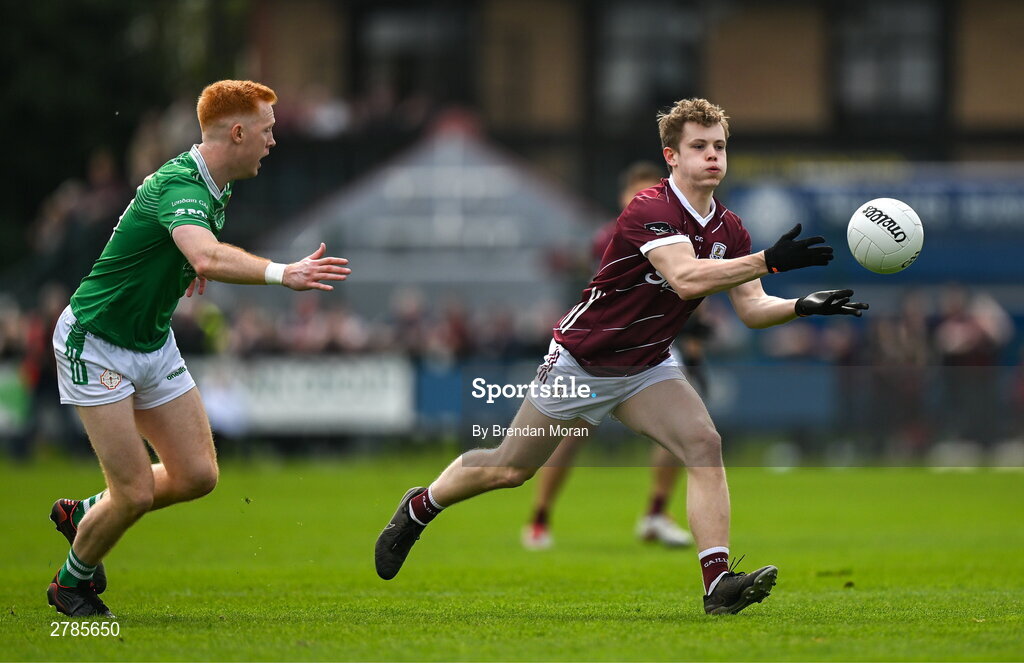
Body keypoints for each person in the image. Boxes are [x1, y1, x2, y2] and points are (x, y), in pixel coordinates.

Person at [375, 98, 868, 615]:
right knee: (507, 470)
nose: (712, 156)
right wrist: (768, 260)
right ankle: (420, 506)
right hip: (580, 363)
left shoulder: (731, 230)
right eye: (698, 146)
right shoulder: (649, 208)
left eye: (719, 146)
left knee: (704, 443)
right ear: (671, 156)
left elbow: (752, 309)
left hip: (646, 369)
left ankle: (717, 584)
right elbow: (684, 278)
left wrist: (802, 305)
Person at [46, 80, 352, 617]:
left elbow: (186, 251)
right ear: (237, 132)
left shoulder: (217, 185)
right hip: (95, 344)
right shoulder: (185, 186)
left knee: (198, 476)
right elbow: (207, 256)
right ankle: (71, 584)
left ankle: (88, 512)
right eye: (267, 130)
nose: (273, 141)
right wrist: (285, 272)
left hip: (152, 341)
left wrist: (182, 265)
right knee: (136, 492)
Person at [522, 162, 701, 551]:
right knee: (567, 437)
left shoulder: (675, 232)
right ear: (623, 197)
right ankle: (539, 516)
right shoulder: (610, 237)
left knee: (685, 435)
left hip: (653, 348)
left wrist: (697, 333)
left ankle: (656, 512)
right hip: (600, 350)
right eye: (634, 191)